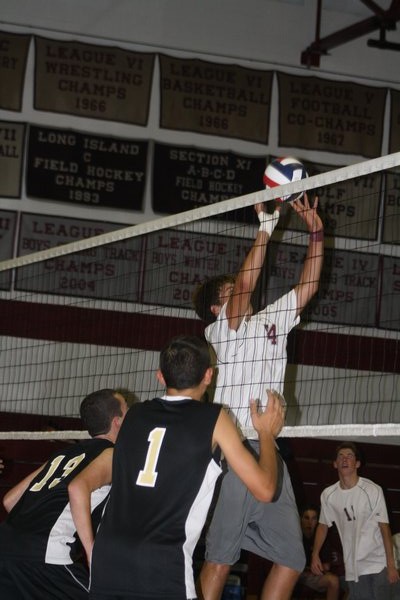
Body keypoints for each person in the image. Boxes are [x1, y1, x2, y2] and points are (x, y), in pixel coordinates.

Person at [68, 334, 285, 600]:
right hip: (160, 565)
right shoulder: (215, 419)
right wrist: (266, 433)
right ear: (208, 376)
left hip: (108, 558)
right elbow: (265, 490)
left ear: (160, 376)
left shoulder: (134, 415)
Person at [193, 193, 324, 600]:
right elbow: (247, 282)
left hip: (269, 446)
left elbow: (308, 285)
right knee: (220, 558)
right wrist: (266, 228)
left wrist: (317, 232)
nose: (241, 290)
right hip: (232, 449)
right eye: (231, 290)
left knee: (292, 558)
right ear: (218, 307)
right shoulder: (218, 333)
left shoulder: (270, 321)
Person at [0, 388, 128, 600]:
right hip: (46, 555)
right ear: (117, 422)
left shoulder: (61, 455)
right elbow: (77, 489)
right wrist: (91, 553)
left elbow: (9, 500)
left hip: (5, 547)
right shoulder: (112, 454)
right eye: (127, 410)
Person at [311, 441, 400, 600]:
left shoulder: (372, 490)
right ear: (335, 464)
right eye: (341, 456)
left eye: (349, 456)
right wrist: (315, 554)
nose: (345, 459)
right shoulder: (328, 495)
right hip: (354, 567)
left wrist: (391, 565)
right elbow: (323, 526)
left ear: (357, 464)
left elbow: (384, 528)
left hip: (379, 563)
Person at [297, 504, 340, 600]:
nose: (310, 522)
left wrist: (320, 567)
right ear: (300, 519)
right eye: (306, 518)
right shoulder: (294, 536)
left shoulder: (321, 538)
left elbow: (326, 565)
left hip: (313, 574)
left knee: (334, 581)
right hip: (294, 574)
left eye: (313, 519)